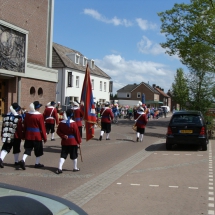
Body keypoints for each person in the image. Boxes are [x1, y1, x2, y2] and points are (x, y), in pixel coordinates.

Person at [19, 101, 47, 170]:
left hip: (28, 135)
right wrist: (44, 137)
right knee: (38, 150)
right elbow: (42, 127)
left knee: (27, 149)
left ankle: (23, 160)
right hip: (37, 136)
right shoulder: (40, 116)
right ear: (38, 108)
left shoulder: (28, 114)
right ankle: (37, 163)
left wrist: (24, 135)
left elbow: (25, 125)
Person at [56, 109, 81, 174]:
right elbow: (77, 133)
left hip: (65, 141)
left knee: (63, 155)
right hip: (73, 142)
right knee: (74, 155)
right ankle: (75, 168)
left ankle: (59, 168)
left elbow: (58, 131)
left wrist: (63, 136)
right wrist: (79, 141)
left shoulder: (61, 123)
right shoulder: (74, 123)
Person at [0, 103, 23, 168]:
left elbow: (3, 126)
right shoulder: (18, 117)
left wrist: (2, 133)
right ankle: (16, 161)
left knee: (6, 147)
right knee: (16, 148)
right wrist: (21, 136)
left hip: (7, 134)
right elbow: (19, 128)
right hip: (16, 135)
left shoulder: (6, 115)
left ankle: (1, 159)